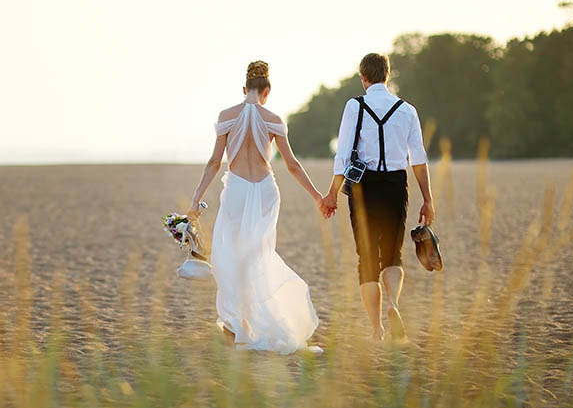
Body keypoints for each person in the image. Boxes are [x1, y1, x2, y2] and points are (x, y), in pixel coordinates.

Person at [186, 61, 323, 354]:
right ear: (267, 91)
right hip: (263, 192)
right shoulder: (273, 118)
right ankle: (245, 323)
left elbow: (214, 162)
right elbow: (292, 165)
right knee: (257, 256)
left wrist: (196, 198)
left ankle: (241, 325)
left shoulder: (227, 116)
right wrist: (318, 196)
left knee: (229, 256)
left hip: (236, 191)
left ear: (244, 88)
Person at [319, 53, 435, 342]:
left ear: (363, 77)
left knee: (367, 258)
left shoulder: (354, 106)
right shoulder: (407, 110)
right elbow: (418, 159)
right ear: (387, 75)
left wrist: (333, 193)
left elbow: (343, 154)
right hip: (396, 184)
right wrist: (427, 199)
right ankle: (393, 305)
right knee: (393, 254)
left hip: (363, 187)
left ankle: (376, 330)